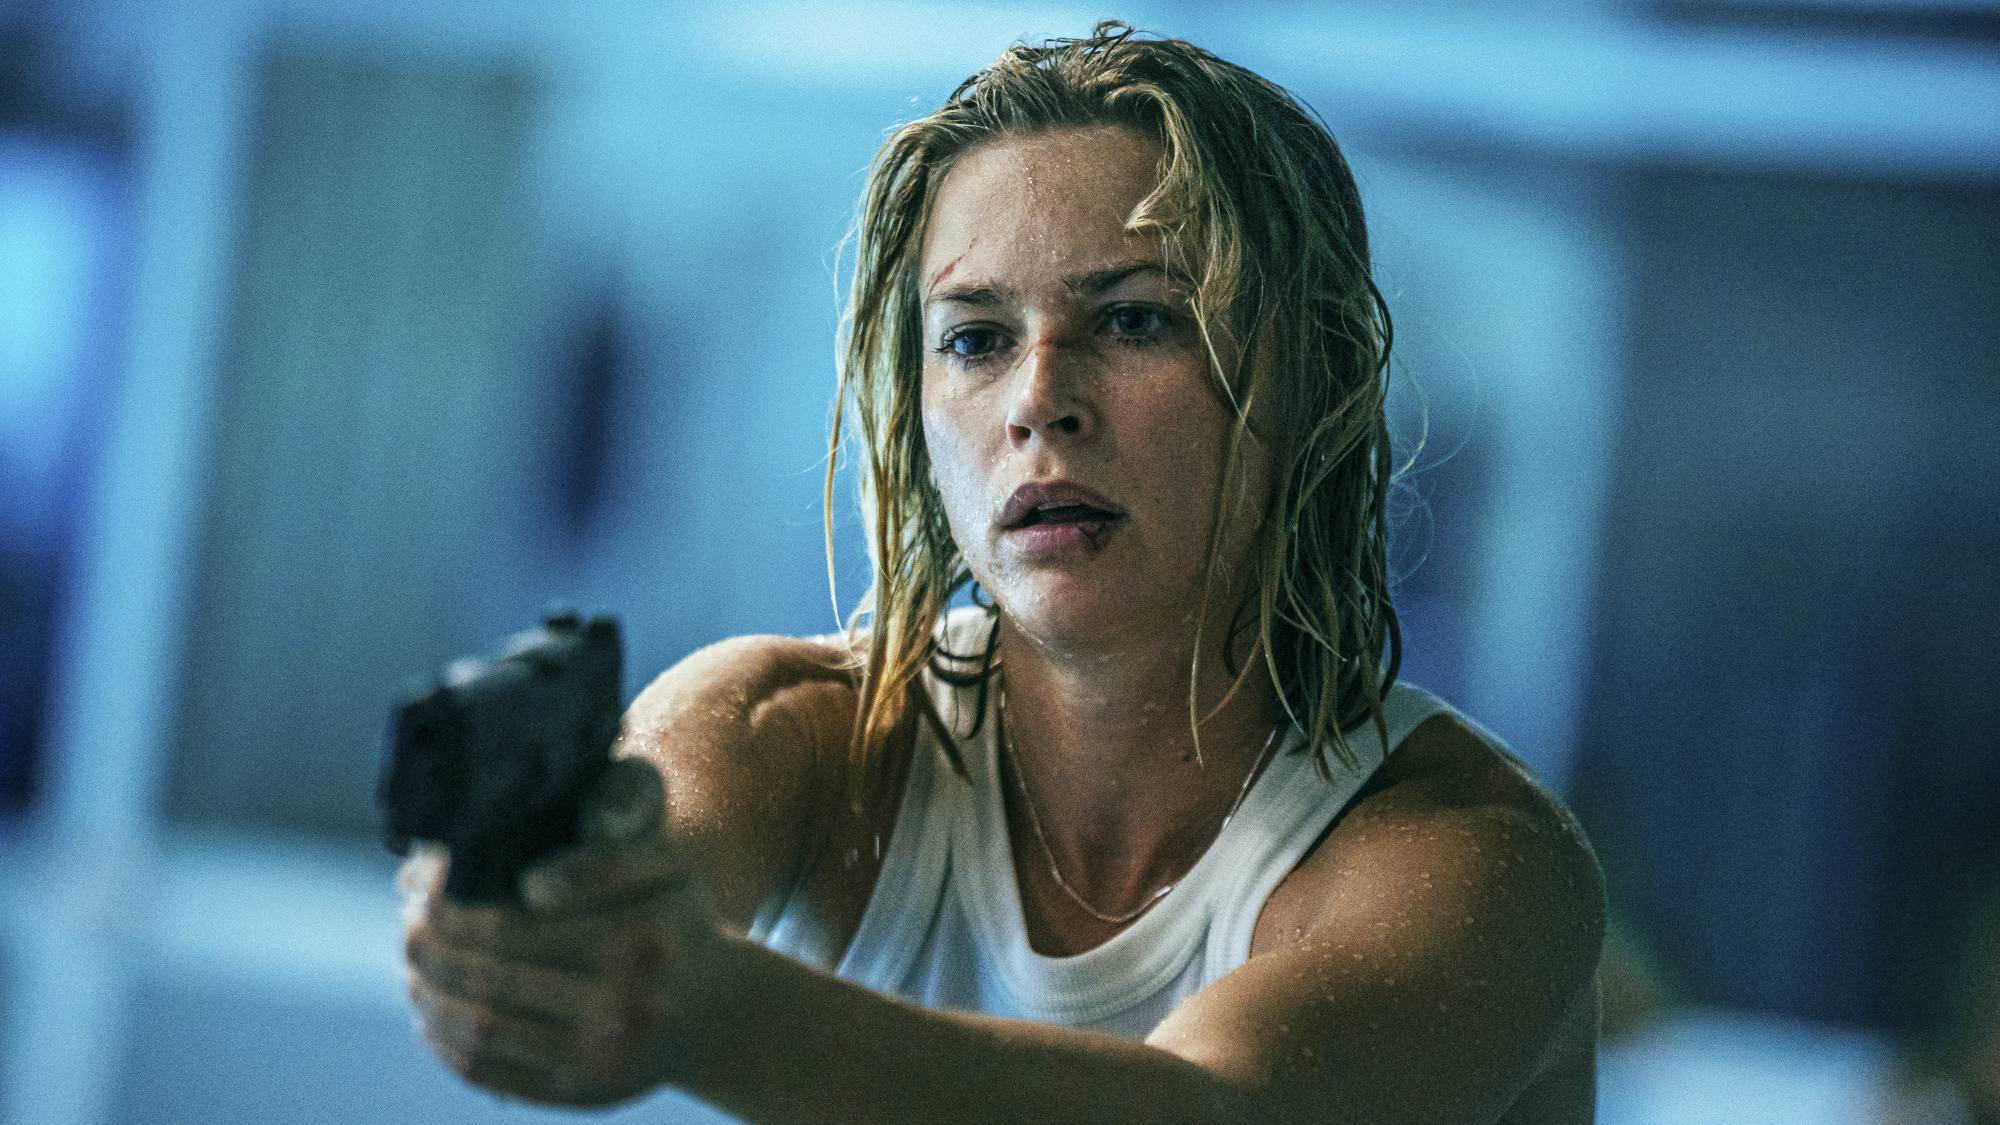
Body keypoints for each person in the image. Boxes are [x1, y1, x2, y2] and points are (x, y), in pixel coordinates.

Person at [401, 22, 1604, 1124]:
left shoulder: (1470, 864)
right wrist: (539, 922)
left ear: (1311, 379)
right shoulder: (806, 743)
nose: (1037, 400)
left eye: (1133, 320)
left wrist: (702, 1008)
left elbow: (1212, 1116)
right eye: (975, 339)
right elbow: (651, 854)